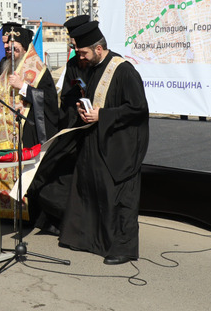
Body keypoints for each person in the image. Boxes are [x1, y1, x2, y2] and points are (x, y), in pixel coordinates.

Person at [26, 21, 149, 265]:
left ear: (99, 49)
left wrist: (102, 114)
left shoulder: (123, 70)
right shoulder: (89, 66)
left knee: (118, 199)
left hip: (118, 146)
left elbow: (138, 109)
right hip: (92, 140)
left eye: (83, 52)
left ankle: (122, 249)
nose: (79, 57)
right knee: (89, 191)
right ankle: (87, 240)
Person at [0, 27, 58, 149]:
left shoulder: (39, 71)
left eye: (13, 46)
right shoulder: (6, 68)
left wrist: (23, 87)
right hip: (4, 137)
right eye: (5, 45)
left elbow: (50, 100)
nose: (7, 47)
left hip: (27, 135)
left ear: (24, 48)